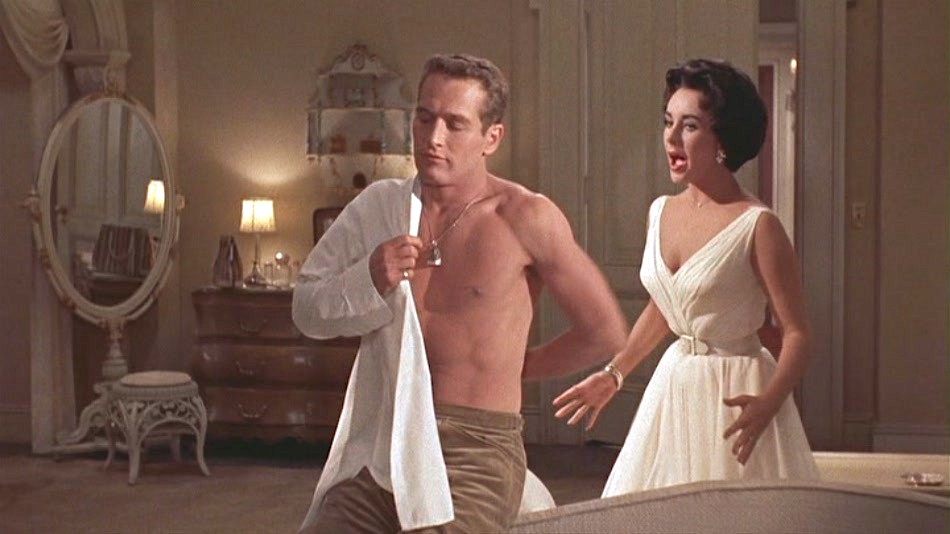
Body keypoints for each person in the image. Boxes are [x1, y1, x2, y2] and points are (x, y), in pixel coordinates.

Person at [293, 53, 628, 532]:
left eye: (455, 124)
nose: (433, 138)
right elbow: (306, 309)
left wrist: (519, 367)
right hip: (386, 440)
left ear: (492, 138)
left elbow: (605, 331)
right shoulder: (379, 207)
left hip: (476, 450)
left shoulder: (524, 216)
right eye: (424, 118)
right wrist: (369, 278)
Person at [553, 58, 819, 496]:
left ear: (723, 140)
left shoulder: (757, 225)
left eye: (690, 125)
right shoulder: (660, 211)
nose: (671, 137)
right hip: (675, 383)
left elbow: (798, 333)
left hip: (737, 392)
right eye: (668, 121)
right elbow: (667, 306)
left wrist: (769, 403)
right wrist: (614, 375)